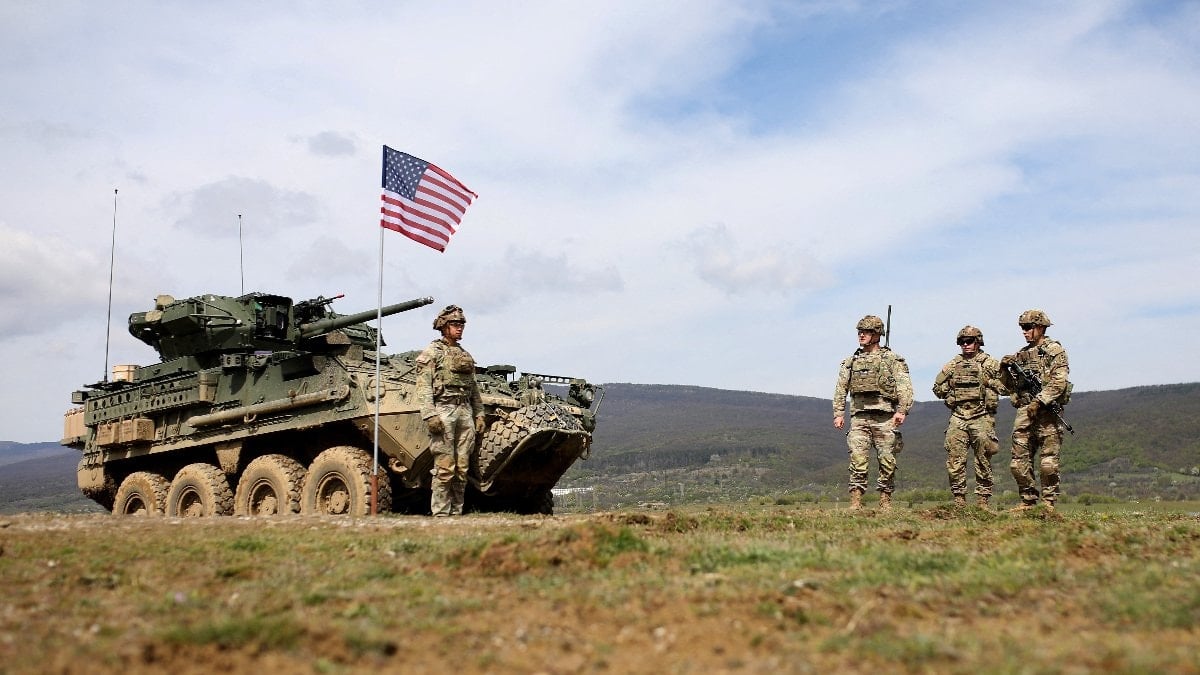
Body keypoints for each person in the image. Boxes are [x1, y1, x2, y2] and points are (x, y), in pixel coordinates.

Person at [833, 315, 913, 511]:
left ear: (877, 334)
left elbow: (905, 387)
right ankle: (855, 503)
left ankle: (885, 502)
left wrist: (902, 410)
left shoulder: (892, 359)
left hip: (884, 418)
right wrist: (838, 413)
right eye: (860, 331)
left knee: (887, 461)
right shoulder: (851, 362)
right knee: (857, 459)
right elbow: (840, 388)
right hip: (859, 417)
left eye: (867, 331)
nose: (861, 334)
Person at [416, 305, 485, 517]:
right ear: (444, 327)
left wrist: (479, 413)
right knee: (445, 467)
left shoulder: (464, 355)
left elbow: (473, 388)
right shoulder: (431, 353)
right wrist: (430, 414)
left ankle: (456, 512)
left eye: (462, 324)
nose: (460, 328)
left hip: (464, 410)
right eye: (455, 324)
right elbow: (423, 386)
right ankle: (441, 513)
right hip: (443, 409)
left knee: (462, 467)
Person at [1000, 309, 1071, 511]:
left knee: (1048, 464)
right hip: (1025, 413)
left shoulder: (1055, 350)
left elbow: (1059, 382)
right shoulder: (1021, 355)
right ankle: (1028, 501)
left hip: (1048, 413)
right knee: (1018, 462)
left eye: (1028, 327)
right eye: (1022, 328)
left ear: (1041, 327)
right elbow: (1008, 387)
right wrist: (1003, 369)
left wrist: (1039, 401)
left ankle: (1048, 505)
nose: (1024, 331)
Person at [932, 326, 1007, 509]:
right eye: (962, 342)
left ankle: (983, 500)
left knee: (983, 458)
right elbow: (937, 389)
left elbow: (1006, 387)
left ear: (978, 342)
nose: (965, 345)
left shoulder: (989, 363)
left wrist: (987, 382)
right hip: (958, 416)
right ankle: (959, 499)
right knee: (954, 459)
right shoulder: (952, 365)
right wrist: (950, 388)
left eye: (969, 341)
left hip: (981, 415)